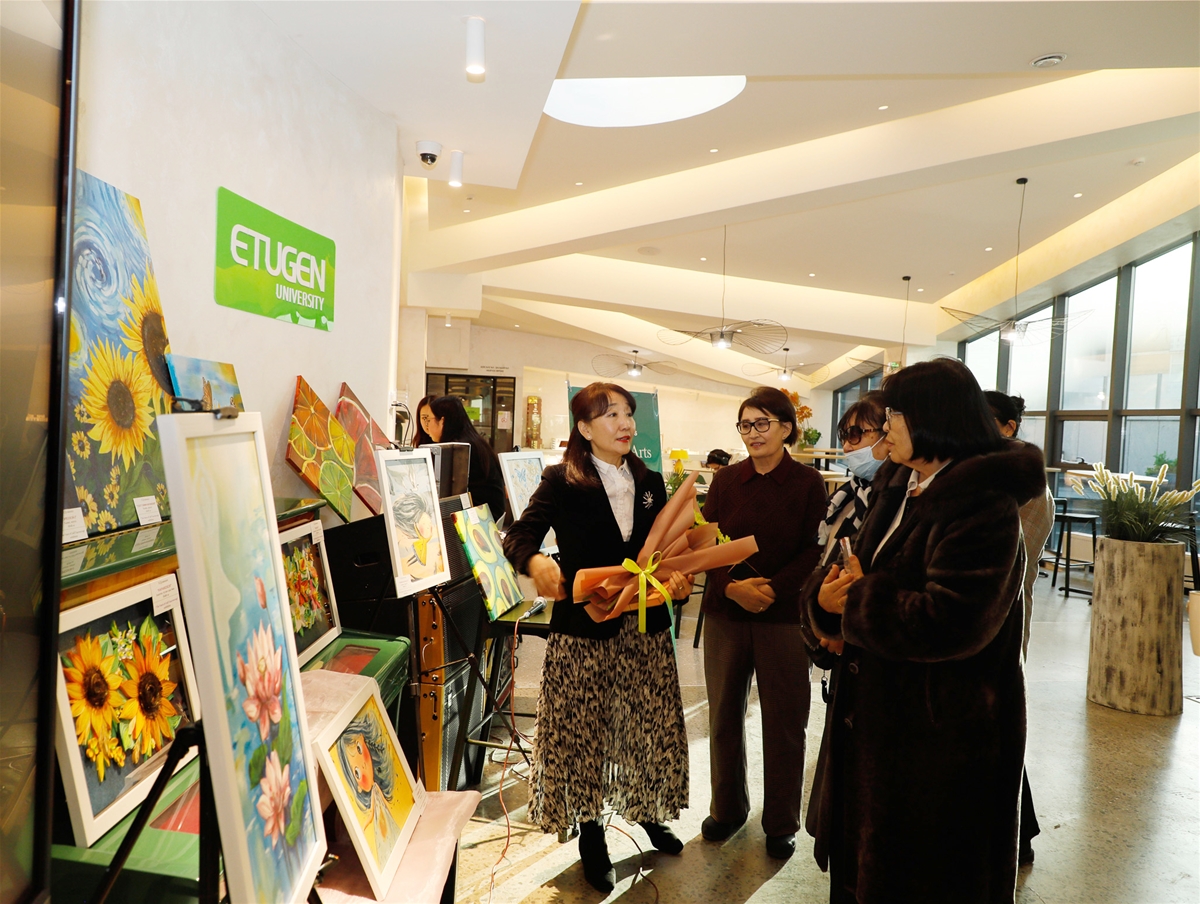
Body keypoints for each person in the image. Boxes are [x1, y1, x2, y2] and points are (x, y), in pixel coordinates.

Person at [803, 357, 1046, 903]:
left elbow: (953, 623)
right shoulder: (899, 484)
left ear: (934, 417)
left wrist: (857, 601)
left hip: (939, 741)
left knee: (924, 878)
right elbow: (851, 566)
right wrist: (824, 599)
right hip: (876, 730)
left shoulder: (983, 504)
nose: (884, 425)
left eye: (895, 414)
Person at [502, 382, 693, 893]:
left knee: (646, 725)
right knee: (582, 733)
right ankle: (591, 835)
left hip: (644, 626)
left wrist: (679, 580)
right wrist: (535, 561)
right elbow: (519, 535)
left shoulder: (650, 481)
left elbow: (668, 551)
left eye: (628, 413)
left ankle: (648, 812)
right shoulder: (561, 480)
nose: (625, 423)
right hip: (583, 629)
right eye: (611, 415)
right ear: (585, 428)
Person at [699, 386, 827, 860]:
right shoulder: (726, 480)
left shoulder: (808, 483)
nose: (752, 433)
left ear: (787, 428)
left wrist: (773, 588)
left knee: (785, 721)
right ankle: (727, 809)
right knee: (723, 716)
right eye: (745, 425)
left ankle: (781, 821)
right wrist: (731, 587)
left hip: (783, 616)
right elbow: (704, 543)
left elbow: (814, 549)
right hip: (726, 614)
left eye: (762, 423)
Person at [985, 390, 1055, 868]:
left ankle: (1020, 833)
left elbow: (1010, 562)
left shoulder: (1025, 485)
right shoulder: (993, 475)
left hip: (1004, 617)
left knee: (999, 727)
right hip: (992, 615)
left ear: (1009, 428)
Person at [424, 395, 507, 523]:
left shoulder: (458, 450)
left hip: (478, 523)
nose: (427, 426)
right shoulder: (474, 442)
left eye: (429, 420)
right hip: (490, 518)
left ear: (442, 421)